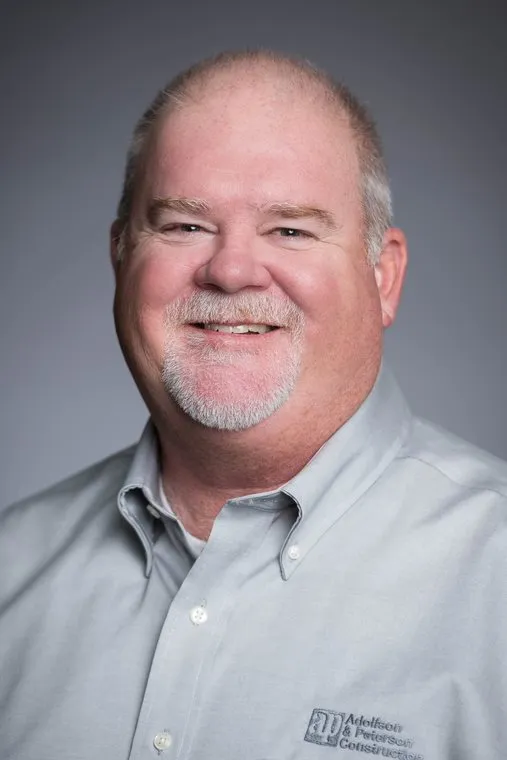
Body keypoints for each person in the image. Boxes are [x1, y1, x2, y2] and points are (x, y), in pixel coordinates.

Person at [0, 50, 505, 760]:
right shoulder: (12, 569)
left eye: (290, 229)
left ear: (383, 276)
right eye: (182, 225)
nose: (231, 269)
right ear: (120, 258)